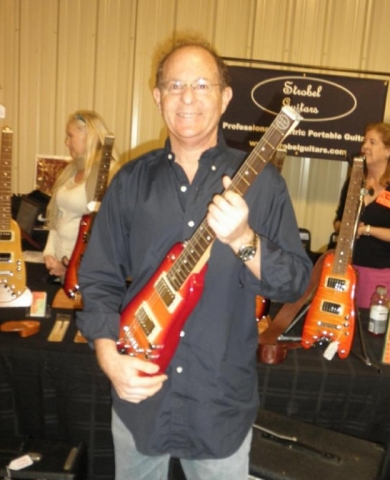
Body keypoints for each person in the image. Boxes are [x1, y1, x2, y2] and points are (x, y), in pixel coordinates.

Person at [76, 35, 311, 480]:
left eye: (202, 85)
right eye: (175, 85)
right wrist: (109, 357)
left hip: (219, 407)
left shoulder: (263, 185)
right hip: (140, 403)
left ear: (225, 97)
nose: (187, 97)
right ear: (157, 96)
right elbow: (99, 278)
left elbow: (296, 282)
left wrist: (244, 239)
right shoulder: (130, 182)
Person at [333, 122, 390, 308]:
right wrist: (348, 228)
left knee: (366, 325)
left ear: (388, 151)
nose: (365, 146)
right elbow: (338, 222)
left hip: (377, 272)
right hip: (343, 267)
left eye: (372, 142)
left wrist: (367, 230)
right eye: (365, 141)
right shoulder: (354, 181)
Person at [43, 110, 120, 281]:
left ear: (89, 137)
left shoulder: (109, 174)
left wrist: (71, 266)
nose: (66, 142)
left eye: (70, 136)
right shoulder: (71, 171)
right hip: (63, 268)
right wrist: (49, 253)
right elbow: (59, 218)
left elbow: (104, 234)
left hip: (87, 273)